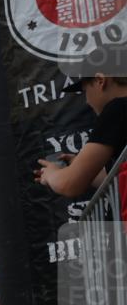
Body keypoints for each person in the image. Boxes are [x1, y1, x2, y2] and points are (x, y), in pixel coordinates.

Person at [36, 44, 127, 199]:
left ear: (100, 80)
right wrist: (83, 166)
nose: (86, 101)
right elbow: (115, 180)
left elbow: (69, 184)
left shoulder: (118, 108)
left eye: (86, 91)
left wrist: (52, 175)